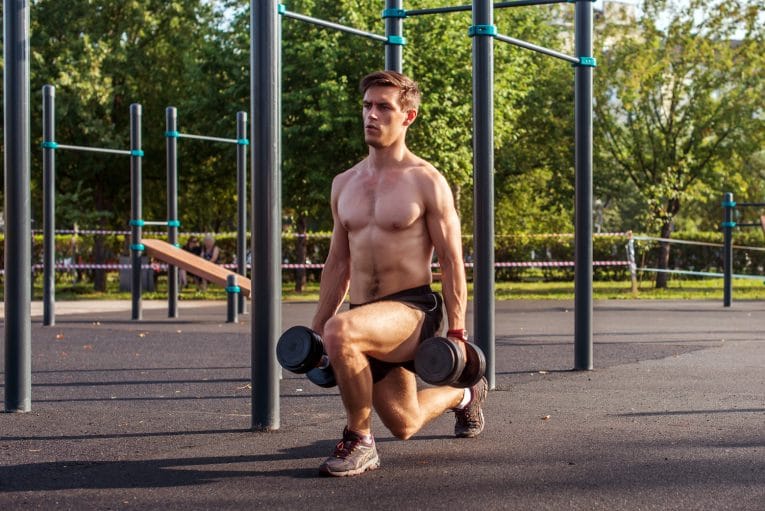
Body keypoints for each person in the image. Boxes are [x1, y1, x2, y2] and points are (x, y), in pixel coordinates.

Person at [311, 70, 487, 477]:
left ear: (408, 116)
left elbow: (451, 261)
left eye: (383, 107)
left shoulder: (426, 181)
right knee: (405, 423)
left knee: (342, 331)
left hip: (411, 310)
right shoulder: (344, 183)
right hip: (363, 315)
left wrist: (457, 331)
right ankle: (464, 396)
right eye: (366, 106)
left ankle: (359, 440)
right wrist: (319, 326)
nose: (371, 115)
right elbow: (338, 262)